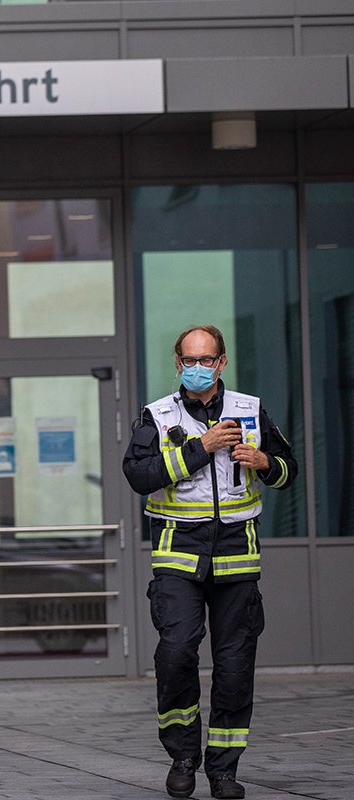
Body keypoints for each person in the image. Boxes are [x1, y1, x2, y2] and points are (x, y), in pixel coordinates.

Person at [123, 325, 297, 800]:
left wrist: (264, 462)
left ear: (222, 362)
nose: (197, 368)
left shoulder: (250, 408)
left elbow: (288, 470)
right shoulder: (157, 415)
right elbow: (139, 476)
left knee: (235, 666)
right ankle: (182, 755)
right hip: (178, 558)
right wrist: (201, 448)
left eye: (206, 359)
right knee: (176, 654)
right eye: (188, 361)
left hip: (237, 559)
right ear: (178, 364)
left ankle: (224, 768)